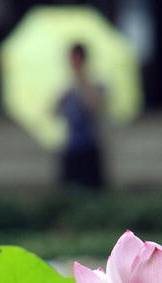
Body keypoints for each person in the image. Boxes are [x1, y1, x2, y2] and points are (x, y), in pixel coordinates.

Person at [56, 43, 106, 189]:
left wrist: (81, 83)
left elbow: (96, 106)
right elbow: (54, 112)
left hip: (89, 144)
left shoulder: (95, 83)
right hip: (70, 144)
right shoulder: (65, 87)